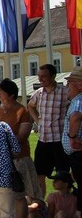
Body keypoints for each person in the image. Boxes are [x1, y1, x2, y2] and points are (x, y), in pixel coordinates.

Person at [0, 78, 42, 217]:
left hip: (18, 160)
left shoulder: (22, 112)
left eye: (1, 92)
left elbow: (22, 137)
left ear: (10, 95)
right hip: (1, 160)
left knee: (19, 195)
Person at [29, 63, 70, 199]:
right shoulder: (38, 93)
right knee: (39, 174)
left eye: (44, 76)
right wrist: (37, 121)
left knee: (62, 175)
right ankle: (41, 204)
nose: (41, 79)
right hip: (43, 140)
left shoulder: (64, 92)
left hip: (59, 140)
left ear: (53, 76)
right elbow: (30, 106)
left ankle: (62, 203)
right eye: (39, 76)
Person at [61, 69, 82, 212]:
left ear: (80, 85)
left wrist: (72, 138)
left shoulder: (79, 100)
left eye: (70, 82)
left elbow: (76, 116)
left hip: (79, 153)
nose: (67, 84)